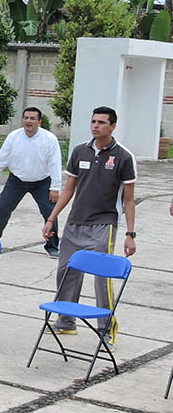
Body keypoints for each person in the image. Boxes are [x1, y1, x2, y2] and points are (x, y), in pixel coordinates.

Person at [42, 106, 137, 343]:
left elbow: (128, 199)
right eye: (93, 121)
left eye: (102, 122)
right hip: (75, 223)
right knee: (65, 272)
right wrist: (52, 218)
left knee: (101, 279)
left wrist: (130, 233)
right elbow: (69, 189)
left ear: (112, 126)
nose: (96, 126)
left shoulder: (124, 157)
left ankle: (106, 330)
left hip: (104, 225)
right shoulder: (79, 151)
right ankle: (65, 321)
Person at [0, 107, 63, 259]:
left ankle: (52, 246)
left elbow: (55, 164)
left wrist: (55, 188)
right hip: (16, 180)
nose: (29, 121)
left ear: (39, 122)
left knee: (50, 213)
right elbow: (3, 157)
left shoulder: (49, 139)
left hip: (42, 182)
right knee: (3, 208)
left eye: (33, 118)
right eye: (26, 118)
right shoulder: (13, 137)